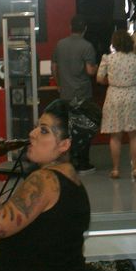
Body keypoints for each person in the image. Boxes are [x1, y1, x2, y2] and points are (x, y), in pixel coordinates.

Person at [0, 99, 95, 271]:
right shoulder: (71, 180)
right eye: (37, 127)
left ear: (64, 145)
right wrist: (6, 266)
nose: (32, 134)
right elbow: (47, 242)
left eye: (44, 130)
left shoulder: (45, 180)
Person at [97, 30, 136, 178]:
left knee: (115, 136)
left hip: (114, 96)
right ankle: (135, 169)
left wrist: (112, 81)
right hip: (133, 95)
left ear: (114, 43)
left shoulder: (108, 59)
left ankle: (115, 169)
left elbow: (99, 79)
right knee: (135, 135)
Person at [51, 15, 99, 173]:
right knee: (85, 129)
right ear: (85, 29)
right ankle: (82, 163)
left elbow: (54, 67)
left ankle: (69, 161)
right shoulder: (87, 46)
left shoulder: (60, 44)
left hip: (65, 94)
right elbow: (90, 71)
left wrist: (59, 85)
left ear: (70, 27)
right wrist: (98, 66)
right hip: (82, 94)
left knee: (68, 129)